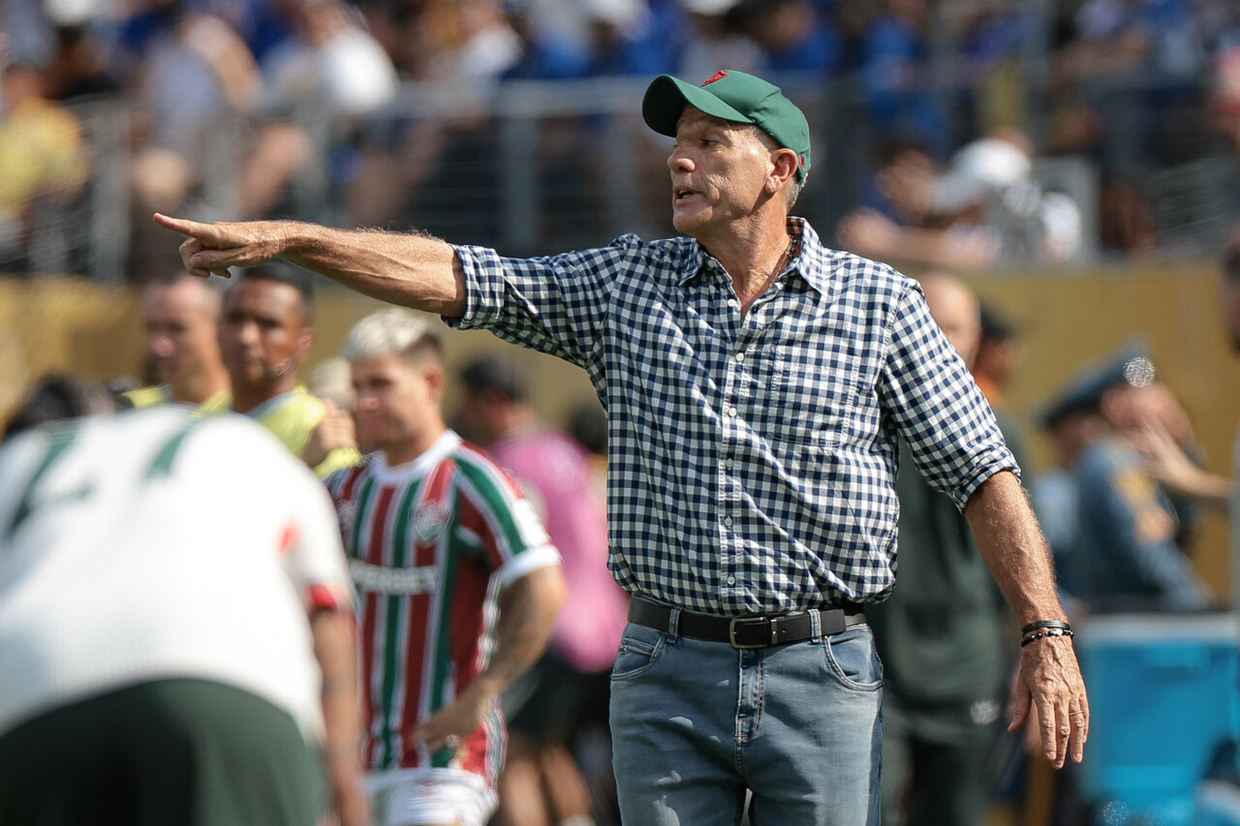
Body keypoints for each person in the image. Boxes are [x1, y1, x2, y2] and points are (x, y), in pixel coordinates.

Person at [155, 68, 1088, 825]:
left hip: (823, 667)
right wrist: (299, 239)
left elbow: (983, 472)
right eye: (678, 143)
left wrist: (1044, 632)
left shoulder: (882, 304)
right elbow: (459, 275)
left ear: (779, 169)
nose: (680, 159)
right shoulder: (625, 286)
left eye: (710, 143)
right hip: (665, 669)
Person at [0, 396, 367, 826]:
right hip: (226, 676)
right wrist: (345, 788)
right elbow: (326, 611)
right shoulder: (245, 443)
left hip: (33, 687)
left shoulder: (20, 457)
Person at [326, 309, 566, 826]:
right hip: (354, 758)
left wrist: (483, 692)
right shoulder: (346, 487)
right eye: (358, 386)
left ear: (430, 383)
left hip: (445, 758)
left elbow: (545, 588)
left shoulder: (472, 479)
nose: (364, 401)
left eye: (381, 384)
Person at [458, 357, 627, 826]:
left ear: (490, 401)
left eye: (465, 403)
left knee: (511, 756)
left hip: (553, 630)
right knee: (550, 747)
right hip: (605, 629)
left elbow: (514, 560)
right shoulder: (564, 449)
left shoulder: (507, 462)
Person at [867, 273, 1010, 826]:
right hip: (876, 667)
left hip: (966, 672)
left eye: (956, 328)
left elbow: (1021, 559)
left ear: (977, 339)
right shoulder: (862, 428)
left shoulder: (999, 431)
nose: (944, 341)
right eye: (932, 326)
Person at [1037, 344, 1212, 613]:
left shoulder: (1137, 468)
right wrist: (1204, 612)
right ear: (1115, 405)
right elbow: (1153, 565)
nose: (1163, 396)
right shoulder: (1111, 462)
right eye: (1147, 385)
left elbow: (1177, 542)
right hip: (1128, 626)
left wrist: (1185, 452)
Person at [217, 263, 359, 477]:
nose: (246, 337)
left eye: (268, 324)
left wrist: (306, 463)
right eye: (235, 318)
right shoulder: (204, 416)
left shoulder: (320, 431)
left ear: (304, 343)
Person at [126, 271, 231, 412]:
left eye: (176, 329)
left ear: (220, 328)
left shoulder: (246, 414)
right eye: (151, 328)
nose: (158, 346)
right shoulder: (130, 410)